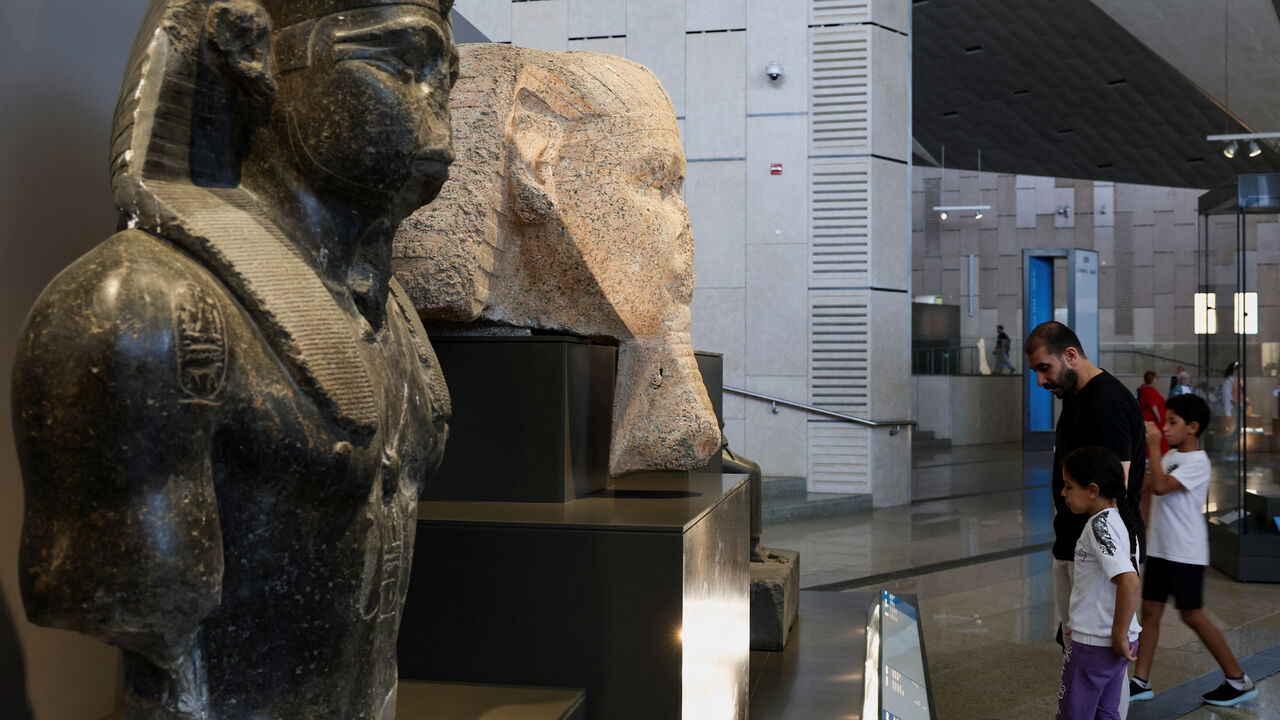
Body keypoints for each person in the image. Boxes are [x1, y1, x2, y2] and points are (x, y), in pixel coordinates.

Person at [14, 1, 458, 717]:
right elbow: (136, 613)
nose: (435, 100)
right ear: (253, 56)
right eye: (399, 61)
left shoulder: (394, 322)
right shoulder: (142, 310)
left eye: (445, 76)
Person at [1026, 321, 1145, 717]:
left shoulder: (1107, 401)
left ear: (1071, 355)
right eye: (1036, 372)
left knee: (1107, 663)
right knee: (1081, 655)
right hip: (1076, 546)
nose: (1042, 380)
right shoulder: (1076, 397)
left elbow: (1117, 485)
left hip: (1102, 554)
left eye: (1045, 368)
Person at [1130, 395, 1258, 707]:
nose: (1166, 427)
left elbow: (1160, 486)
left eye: (1172, 422)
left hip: (1185, 552)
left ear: (1193, 427)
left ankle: (1238, 680)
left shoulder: (1198, 462)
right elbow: (1147, 483)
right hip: (1161, 549)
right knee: (1150, 610)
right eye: (1166, 421)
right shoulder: (1172, 454)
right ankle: (1140, 681)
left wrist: (1153, 446)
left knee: (1192, 615)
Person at [1056, 447, 1143, 720]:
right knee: (1106, 714)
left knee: (1074, 714)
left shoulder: (1099, 526)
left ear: (1092, 490)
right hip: (1115, 639)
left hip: (1099, 644)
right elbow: (1103, 586)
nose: (1063, 493)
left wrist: (1114, 634)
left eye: (1069, 486)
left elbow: (1128, 581)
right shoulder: (1121, 521)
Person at [1137, 371, 1169, 457]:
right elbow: (1153, 404)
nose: (1156, 380)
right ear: (1151, 378)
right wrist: (1158, 416)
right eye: (1155, 378)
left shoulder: (1145, 389)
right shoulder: (1148, 389)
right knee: (1155, 436)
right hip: (1152, 418)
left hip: (1152, 417)